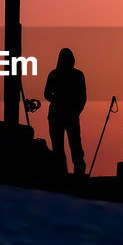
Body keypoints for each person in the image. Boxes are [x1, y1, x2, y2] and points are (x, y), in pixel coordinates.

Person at [43, 47, 87, 175]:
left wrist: (75, 111)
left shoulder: (74, 75)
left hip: (68, 116)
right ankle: (61, 173)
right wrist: (57, 100)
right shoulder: (55, 74)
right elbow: (47, 94)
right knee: (59, 147)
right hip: (57, 116)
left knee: (74, 146)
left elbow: (82, 97)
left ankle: (77, 173)